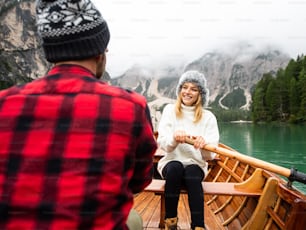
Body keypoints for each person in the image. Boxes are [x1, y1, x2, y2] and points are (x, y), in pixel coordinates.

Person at [0, 0, 157, 229]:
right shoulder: (130, 106)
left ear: (51, 54)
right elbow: (140, 180)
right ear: (100, 53)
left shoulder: (4, 103)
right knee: (133, 221)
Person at [157, 70, 220, 230]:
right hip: (170, 163)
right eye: (185, 87)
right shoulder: (170, 110)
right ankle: (170, 221)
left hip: (196, 164)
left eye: (193, 88)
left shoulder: (209, 117)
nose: (187, 92)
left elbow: (210, 156)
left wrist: (204, 145)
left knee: (192, 171)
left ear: (200, 93)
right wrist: (174, 139)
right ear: (180, 90)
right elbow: (163, 144)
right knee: (175, 168)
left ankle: (198, 226)